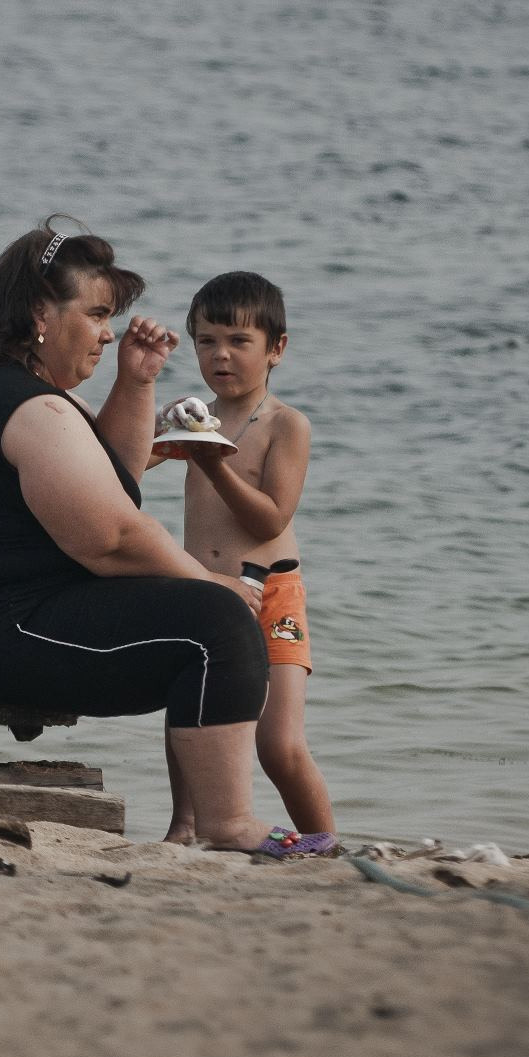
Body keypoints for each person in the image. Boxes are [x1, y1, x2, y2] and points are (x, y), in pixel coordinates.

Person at [0, 217, 298, 855]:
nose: (107, 330)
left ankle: (200, 824)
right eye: (95, 314)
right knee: (215, 620)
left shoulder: (29, 393)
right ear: (40, 312)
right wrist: (210, 581)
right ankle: (226, 824)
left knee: (210, 618)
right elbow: (113, 536)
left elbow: (116, 478)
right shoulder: (28, 408)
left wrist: (136, 381)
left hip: (6, 618)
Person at [156, 271, 335, 855]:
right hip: (204, 591)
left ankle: (326, 845)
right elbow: (123, 468)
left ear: (276, 348)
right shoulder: (195, 417)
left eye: (239, 340)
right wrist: (150, 423)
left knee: (278, 743)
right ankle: (183, 824)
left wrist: (210, 464)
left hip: (272, 593)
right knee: (191, 710)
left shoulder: (287, 425)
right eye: (207, 341)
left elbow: (270, 520)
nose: (221, 355)